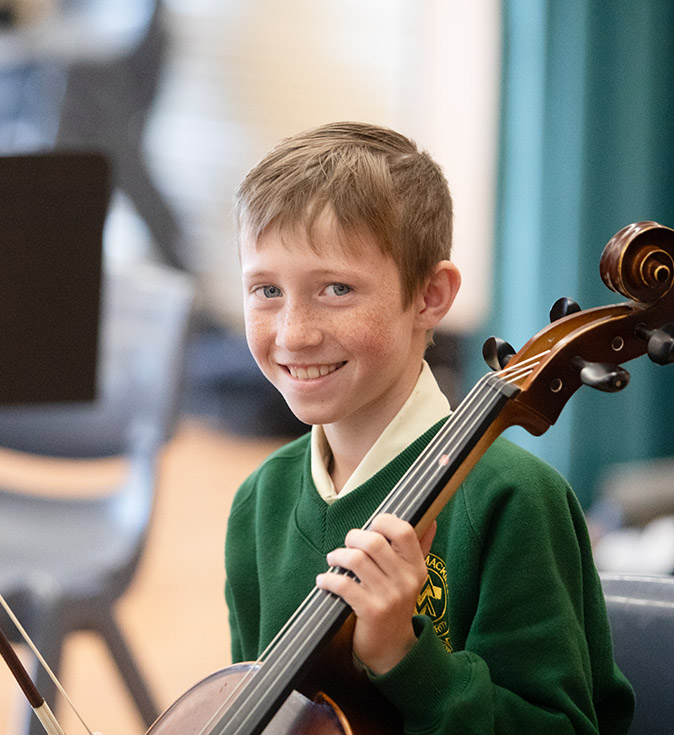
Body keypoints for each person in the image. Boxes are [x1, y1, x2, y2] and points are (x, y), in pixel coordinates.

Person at [224, 121, 635, 734]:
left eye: (336, 289)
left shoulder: (512, 500)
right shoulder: (261, 501)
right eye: (266, 290)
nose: (293, 333)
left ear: (430, 296)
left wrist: (403, 656)